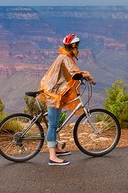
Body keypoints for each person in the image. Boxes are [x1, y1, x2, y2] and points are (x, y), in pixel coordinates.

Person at [39, 34, 94, 166]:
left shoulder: (65, 57)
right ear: (73, 46)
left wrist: (86, 75)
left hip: (57, 93)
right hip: (53, 94)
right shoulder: (64, 58)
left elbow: (74, 72)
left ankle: (57, 149)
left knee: (56, 123)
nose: (78, 49)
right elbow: (75, 74)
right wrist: (86, 76)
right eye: (77, 46)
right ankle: (52, 157)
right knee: (52, 125)